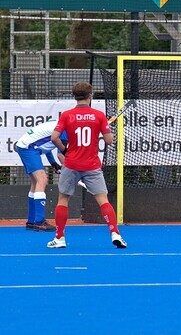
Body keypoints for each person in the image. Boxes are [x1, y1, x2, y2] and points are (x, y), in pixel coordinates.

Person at [48, 82, 126, 249]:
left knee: (63, 199)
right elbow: (109, 140)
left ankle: (60, 238)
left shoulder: (67, 115)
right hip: (91, 165)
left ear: (74, 96)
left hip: (71, 164)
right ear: (90, 96)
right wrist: (106, 131)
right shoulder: (98, 116)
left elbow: (54, 138)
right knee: (103, 200)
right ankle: (115, 233)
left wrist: (65, 149)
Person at [14, 120, 68, 231]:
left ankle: (31, 221)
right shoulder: (65, 130)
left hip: (25, 146)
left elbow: (46, 146)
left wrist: (53, 163)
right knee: (42, 179)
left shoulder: (58, 125)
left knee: (35, 182)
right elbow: (61, 155)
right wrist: (71, 171)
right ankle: (39, 221)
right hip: (29, 148)